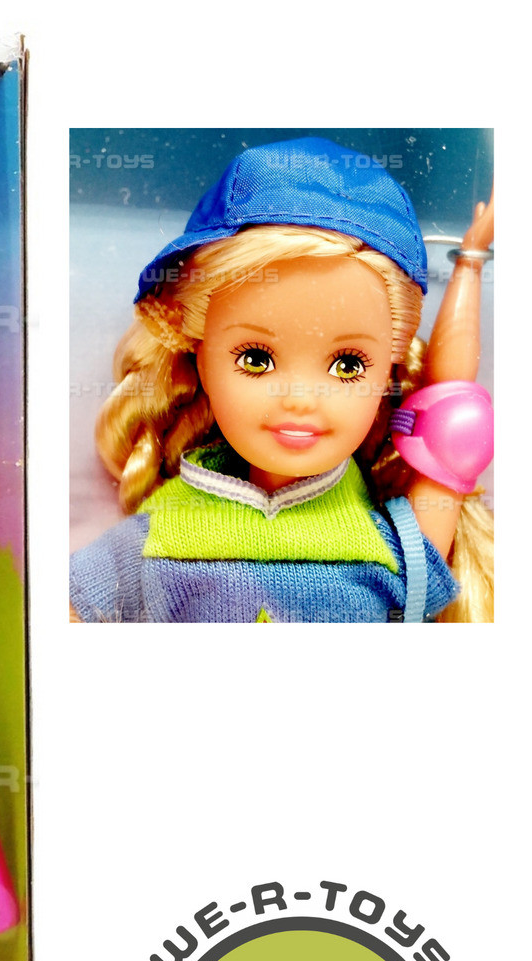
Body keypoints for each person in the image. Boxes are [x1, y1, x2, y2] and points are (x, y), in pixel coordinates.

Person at [70, 137, 494, 623]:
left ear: (388, 375)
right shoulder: (158, 536)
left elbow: (455, 426)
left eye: (348, 365)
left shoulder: (386, 550)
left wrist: (470, 262)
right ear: (199, 359)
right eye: (255, 359)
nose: (298, 399)